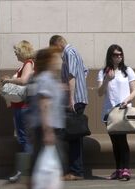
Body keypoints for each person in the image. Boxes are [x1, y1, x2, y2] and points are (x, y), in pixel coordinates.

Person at [49, 35, 88, 181]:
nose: (55, 53)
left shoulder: (69, 53)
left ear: (58, 44)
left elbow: (72, 76)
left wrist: (71, 98)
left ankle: (76, 171)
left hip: (75, 100)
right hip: (79, 98)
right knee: (74, 136)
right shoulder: (75, 52)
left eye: (54, 49)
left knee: (74, 136)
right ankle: (75, 170)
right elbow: (85, 71)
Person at [97, 44, 135, 181]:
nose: (119, 57)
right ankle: (118, 169)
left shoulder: (128, 71)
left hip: (124, 111)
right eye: (116, 55)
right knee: (115, 142)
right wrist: (107, 80)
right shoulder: (103, 72)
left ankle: (126, 169)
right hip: (109, 112)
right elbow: (99, 93)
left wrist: (127, 100)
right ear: (110, 56)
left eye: (120, 54)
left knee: (122, 140)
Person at [26, 47, 65, 187]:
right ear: (48, 61)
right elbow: (44, 105)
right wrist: (48, 131)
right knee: (43, 170)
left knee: (43, 169)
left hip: (50, 128)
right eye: (55, 58)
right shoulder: (45, 79)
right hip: (46, 129)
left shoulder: (51, 79)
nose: (58, 61)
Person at [1, 40, 35, 182]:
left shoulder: (28, 63)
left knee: (24, 138)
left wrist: (9, 80)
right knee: (24, 138)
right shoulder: (28, 63)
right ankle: (27, 170)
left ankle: (26, 172)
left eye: (16, 51)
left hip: (23, 107)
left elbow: (24, 81)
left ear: (22, 51)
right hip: (20, 106)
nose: (15, 53)